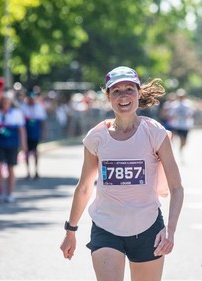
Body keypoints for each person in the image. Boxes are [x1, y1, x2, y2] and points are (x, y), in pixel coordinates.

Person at [60, 66, 184, 281]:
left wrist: (170, 230)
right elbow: (84, 188)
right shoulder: (96, 137)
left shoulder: (154, 132)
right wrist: (70, 231)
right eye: (116, 91)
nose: (123, 96)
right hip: (106, 228)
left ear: (138, 93)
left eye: (129, 89)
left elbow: (177, 188)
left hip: (148, 229)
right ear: (108, 97)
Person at [0, 91, 27, 203]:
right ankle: (0, 191)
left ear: (11, 102)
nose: (5, 103)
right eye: (3, 101)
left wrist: (23, 144)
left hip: (12, 144)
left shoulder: (16, 113)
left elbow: (21, 130)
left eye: (7, 101)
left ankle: (10, 193)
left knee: (11, 168)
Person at [20, 91, 47, 179]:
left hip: (35, 131)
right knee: (26, 152)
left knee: (35, 151)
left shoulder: (38, 107)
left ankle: (36, 170)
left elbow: (42, 121)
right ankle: (28, 171)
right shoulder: (23, 107)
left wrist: (43, 132)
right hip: (26, 131)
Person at [167, 88, 195, 156]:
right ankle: (174, 150)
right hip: (177, 125)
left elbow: (191, 114)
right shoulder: (174, 105)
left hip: (185, 125)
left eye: (182, 96)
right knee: (179, 138)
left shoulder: (188, 104)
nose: (181, 97)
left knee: (184, 142)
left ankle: (181, 149)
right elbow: (171, 114)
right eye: (179, 96)